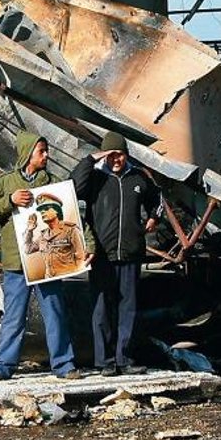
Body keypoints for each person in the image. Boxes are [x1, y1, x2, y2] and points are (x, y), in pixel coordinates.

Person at [0, 130, 82, 381]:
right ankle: (2, 366)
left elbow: (70, 213)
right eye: (41, 151)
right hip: (16, 262)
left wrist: (83, 246)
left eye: (46, 151)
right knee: (14, 316)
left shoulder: (53, 181)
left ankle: (64, 365)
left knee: (54, 313)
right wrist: (10, 201)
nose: (46, 155)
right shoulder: (5, 183)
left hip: (46, 260)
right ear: (28, 154)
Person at [71, 131, 162, 376]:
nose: (116, 160)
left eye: (119, 155)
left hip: (131, 253)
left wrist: (154, 217)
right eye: (111, 155)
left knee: (128, 308)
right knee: (101, 309)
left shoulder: (138, 177)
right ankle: (105, 361)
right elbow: (74, 186)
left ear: (126, 155)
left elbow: (157, 199)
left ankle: (125, 358)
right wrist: (92, 158)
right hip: (102, 254)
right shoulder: (96, 179)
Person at [24, 192, 89, 280]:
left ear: (57, 211)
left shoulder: (71, 230)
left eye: (46, 208)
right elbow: (27, 250)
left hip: (70, 278)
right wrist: (29, 231)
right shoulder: (43, 236)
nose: (42, 212)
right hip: (49, 279)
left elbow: (81, 257)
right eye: (41, 210)